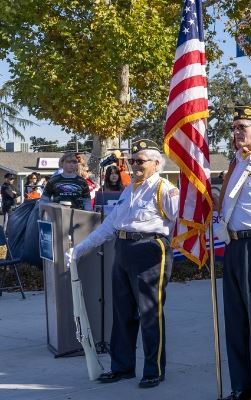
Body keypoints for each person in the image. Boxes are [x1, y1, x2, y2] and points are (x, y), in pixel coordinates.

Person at [68, 139, 179, 389]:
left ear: (156, 163)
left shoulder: (165, 189)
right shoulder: (130, 189)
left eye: (140, 161)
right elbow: (110, 226)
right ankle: (122, 367)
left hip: (150, 250)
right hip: (123, 248)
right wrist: (81, 249)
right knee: (122, 313)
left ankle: (154, 370)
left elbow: (181, 222)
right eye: (132, 161)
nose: (134, 166)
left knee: (150, 314)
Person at [215, 106, 251, 400]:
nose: (237, 133)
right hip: (233, 244)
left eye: (243, 127)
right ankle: (241, 387)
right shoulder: (235, 162)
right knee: (235, 320)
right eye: (234, 127)